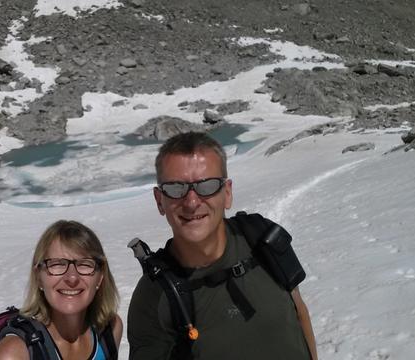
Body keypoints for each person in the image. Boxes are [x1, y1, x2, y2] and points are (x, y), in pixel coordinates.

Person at [127, 132, 318, 359]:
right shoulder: (154, 295)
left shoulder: (260, 237)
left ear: (227, 194)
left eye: (206, 186)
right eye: (176, 188)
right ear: (160, 201)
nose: (192, 202)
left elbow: (299, 313)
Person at [0, 220, 122, 360]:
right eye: (57, 264)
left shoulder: (110, 329)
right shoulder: (15, 353)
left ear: (100, 276)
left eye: (84, 264)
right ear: (38, 277)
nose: (72, 277)